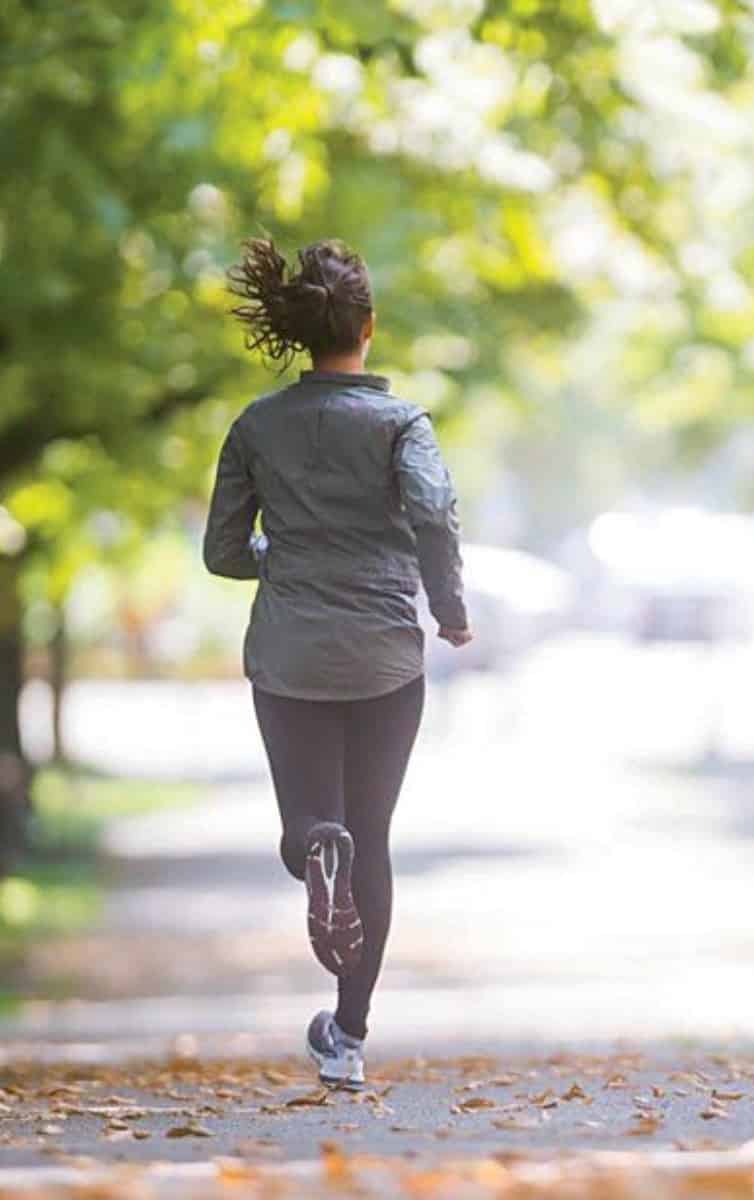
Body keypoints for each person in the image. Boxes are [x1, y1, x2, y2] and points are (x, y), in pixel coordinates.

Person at [204, 237, 470, 1089]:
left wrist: (282, 562)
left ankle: (318, 844)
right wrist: (449, 607)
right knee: (376, 839)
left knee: (313, 825)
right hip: (387, 654)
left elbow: (221, 551)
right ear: (369, 326)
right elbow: (433, 514)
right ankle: (347, 1035)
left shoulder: (256, 425)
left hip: (288, 652)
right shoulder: (403, 425)